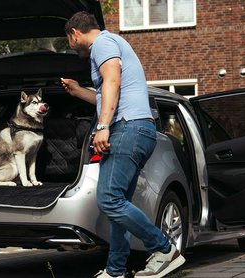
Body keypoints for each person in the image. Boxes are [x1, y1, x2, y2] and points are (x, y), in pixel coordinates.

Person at [61, 11, 185, 278]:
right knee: (119, 205)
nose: (70, 48)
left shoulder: (101, 44)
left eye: (68, 41)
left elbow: (112, 82)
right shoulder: (112, 43)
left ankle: (165, 249)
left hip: (126, 128)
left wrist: (103, 127)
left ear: (74, 33)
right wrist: (78, 90)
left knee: (109, 200)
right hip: (137, 128)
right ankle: (115, 270)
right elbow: (108, 92)